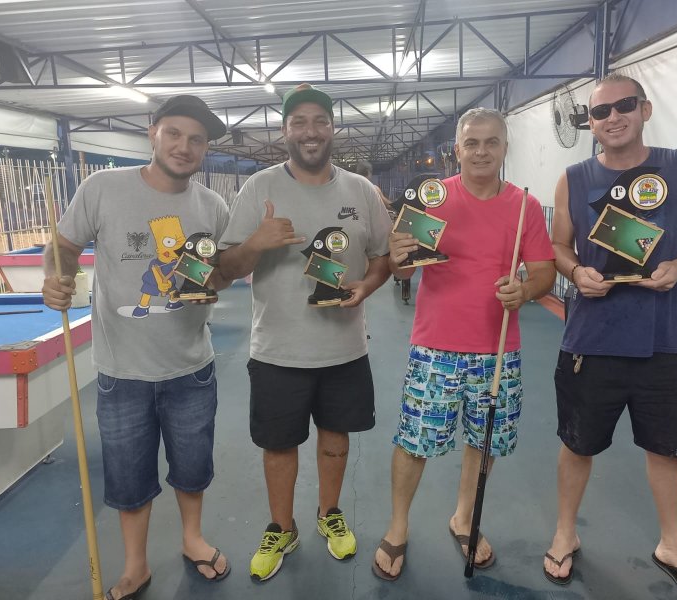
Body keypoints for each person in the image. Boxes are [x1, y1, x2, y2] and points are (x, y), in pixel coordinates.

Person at [543, 74, 677, 600]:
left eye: (623, 105)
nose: (612, 117)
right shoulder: (573, 178)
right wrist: (575, 271)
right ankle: (564, 531)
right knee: (576, 444)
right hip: (591, 338)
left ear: (645, 109)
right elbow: (559, 244)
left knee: (664, 450)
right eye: (599, 112)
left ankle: (673, 544)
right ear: (590, 123)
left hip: (664, 340)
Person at [42, 95, 233, 600]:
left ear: (205, 148)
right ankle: (136, 565)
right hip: (121, 369)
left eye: (196, 139)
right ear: (153, 132)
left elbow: (225, 272)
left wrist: (218, 278)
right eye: (174, 133)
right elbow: (63, 245)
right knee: (128, 476)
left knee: (193, 467)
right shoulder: (102, 188)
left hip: (192, 366)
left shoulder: (212, 206)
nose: (184, 146)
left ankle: (193, 539)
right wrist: (54, 279)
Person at [217, 83, 392, 581]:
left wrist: (368, 286)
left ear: (332, 128)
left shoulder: (360, 191)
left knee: (336, 437)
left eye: (319, 120)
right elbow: (225, 268)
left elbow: (381, 258)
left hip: (343, 347)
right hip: (277, 348)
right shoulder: (259, 188)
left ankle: (329, 513)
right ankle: (281, 525)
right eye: (299, 122)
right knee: (279, 444)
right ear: (284, 131)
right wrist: (256, 242)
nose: (310, 131)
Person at [372, 107, 557, 581]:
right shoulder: (430, 201)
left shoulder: (525, 206)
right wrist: (397, 258)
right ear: (456, 149)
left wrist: (526, 290)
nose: (480, 151)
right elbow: (403, 272)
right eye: (471, 142)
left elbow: (542, 272)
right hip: (435, 345)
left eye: (491, 142)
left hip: (497, 348)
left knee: (485, 440)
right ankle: (397, 527)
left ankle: (463, 516)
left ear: (504, 147)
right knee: (414, 442)